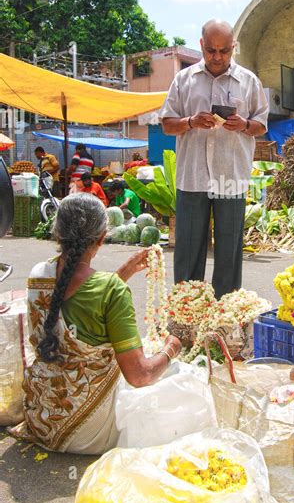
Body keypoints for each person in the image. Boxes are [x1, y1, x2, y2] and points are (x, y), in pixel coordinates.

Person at [8, 194, 181, 455]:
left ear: (56, 233)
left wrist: (123, 273)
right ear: (102, 237)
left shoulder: (38, 275)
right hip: (89, 433)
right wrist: (172, 348)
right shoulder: (110, 291)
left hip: (44, 418)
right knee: (179, 376)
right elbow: (140, 375)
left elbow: (81, 302)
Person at [159, 19, 269, 298]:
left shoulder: (248, 81)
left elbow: (262, 124)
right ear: (201, 46)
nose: (217, 57)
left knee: (229, 250)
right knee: (188, 249)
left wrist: (244, 124)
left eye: (224, 51)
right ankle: (187, 308)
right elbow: (167, 124)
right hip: (192, 177)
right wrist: (191, 121)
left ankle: (225, 311)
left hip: (230, 177)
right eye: (211, 50)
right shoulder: (183, 80)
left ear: (234, 48)